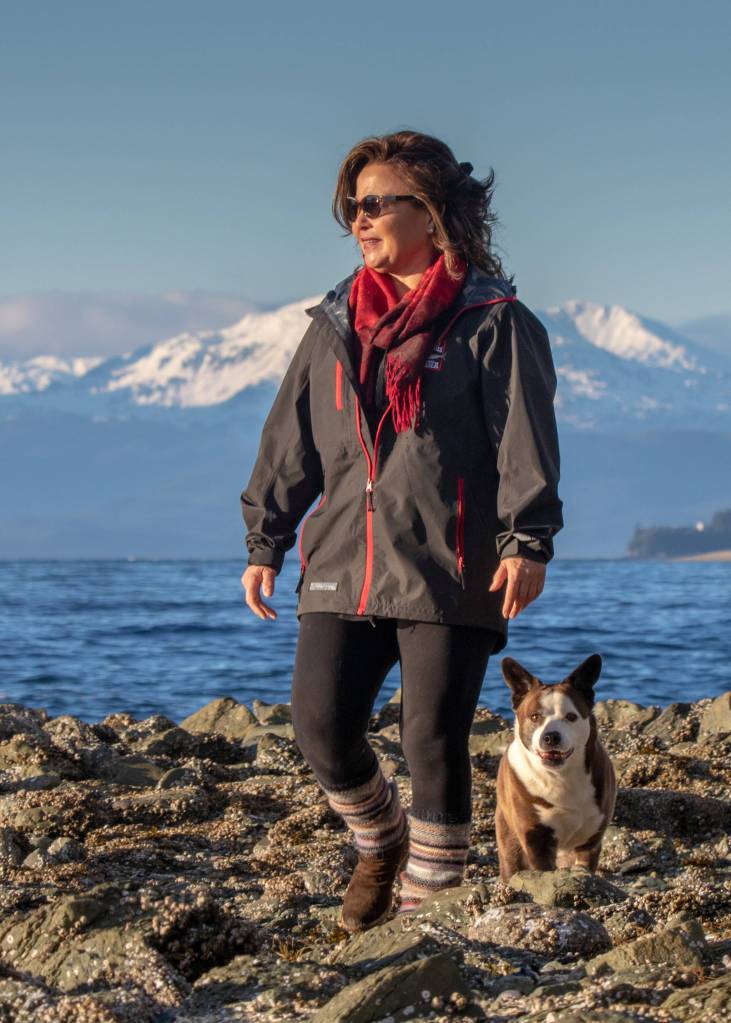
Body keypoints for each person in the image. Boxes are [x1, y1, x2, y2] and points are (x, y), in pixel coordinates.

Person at [240, 130, 563, 932]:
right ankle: (380, 841)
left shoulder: (493, 319)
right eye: (354, 204)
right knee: (318, 724)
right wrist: (265, 540)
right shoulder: (333, 321)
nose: (362, 217)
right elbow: (293, 441)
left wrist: (526, 540)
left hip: (452, 561)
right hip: (344, 557)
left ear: (435, 213)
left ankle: (429, 916)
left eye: (381, 202)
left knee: (431, 736)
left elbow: (524, 438)